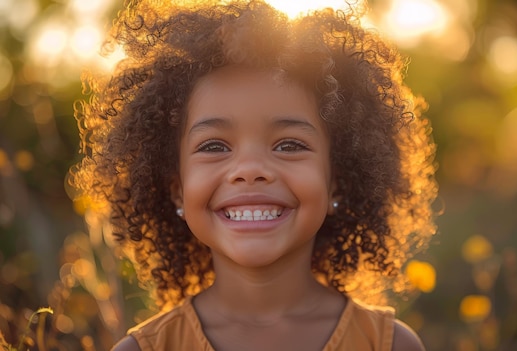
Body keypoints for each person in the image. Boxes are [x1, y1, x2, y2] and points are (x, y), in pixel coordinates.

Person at [70, 0, 438, 350]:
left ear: (336, 182)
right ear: (177, 190)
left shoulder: (388, 345)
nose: (250, 170)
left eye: (289, 145)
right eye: (214, 146)